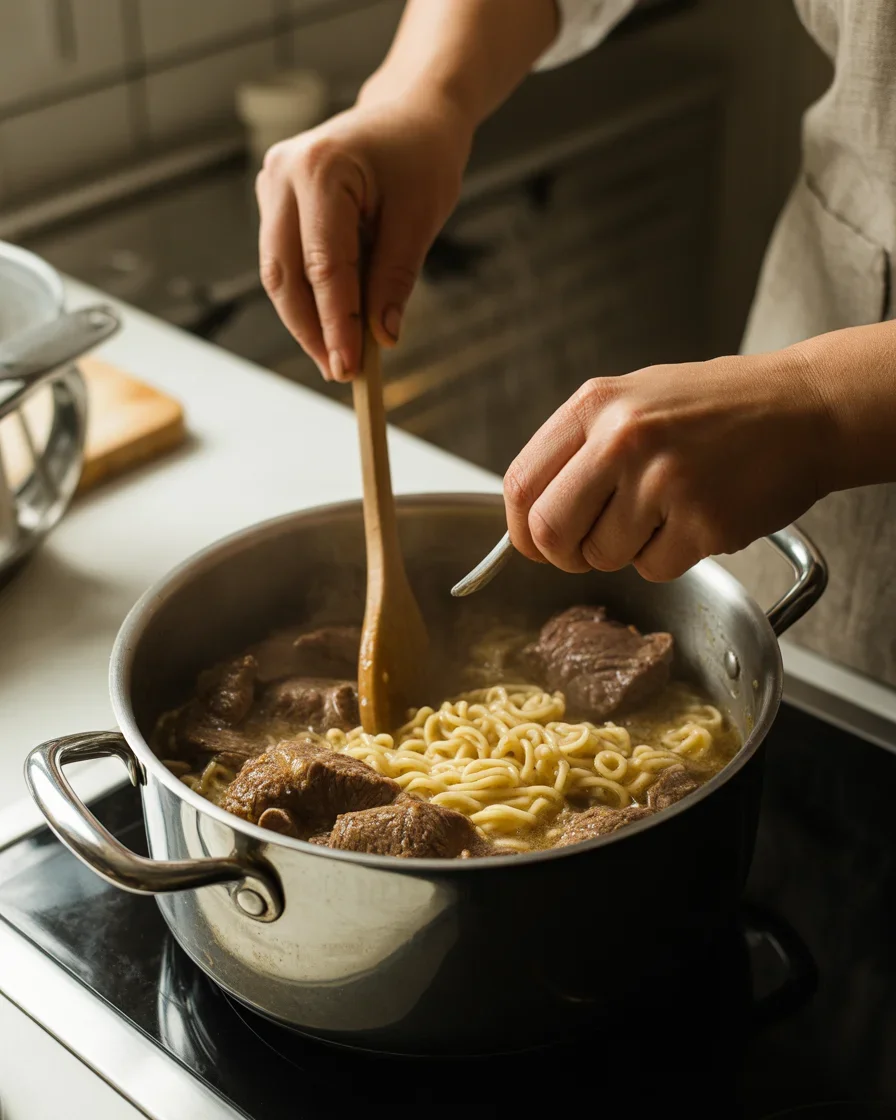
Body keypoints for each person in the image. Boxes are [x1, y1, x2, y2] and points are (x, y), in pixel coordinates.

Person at [254, 1, 896, 624]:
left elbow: (818, 406)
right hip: (829, 313)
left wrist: (821, 405)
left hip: (799, 401)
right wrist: (417, 96)